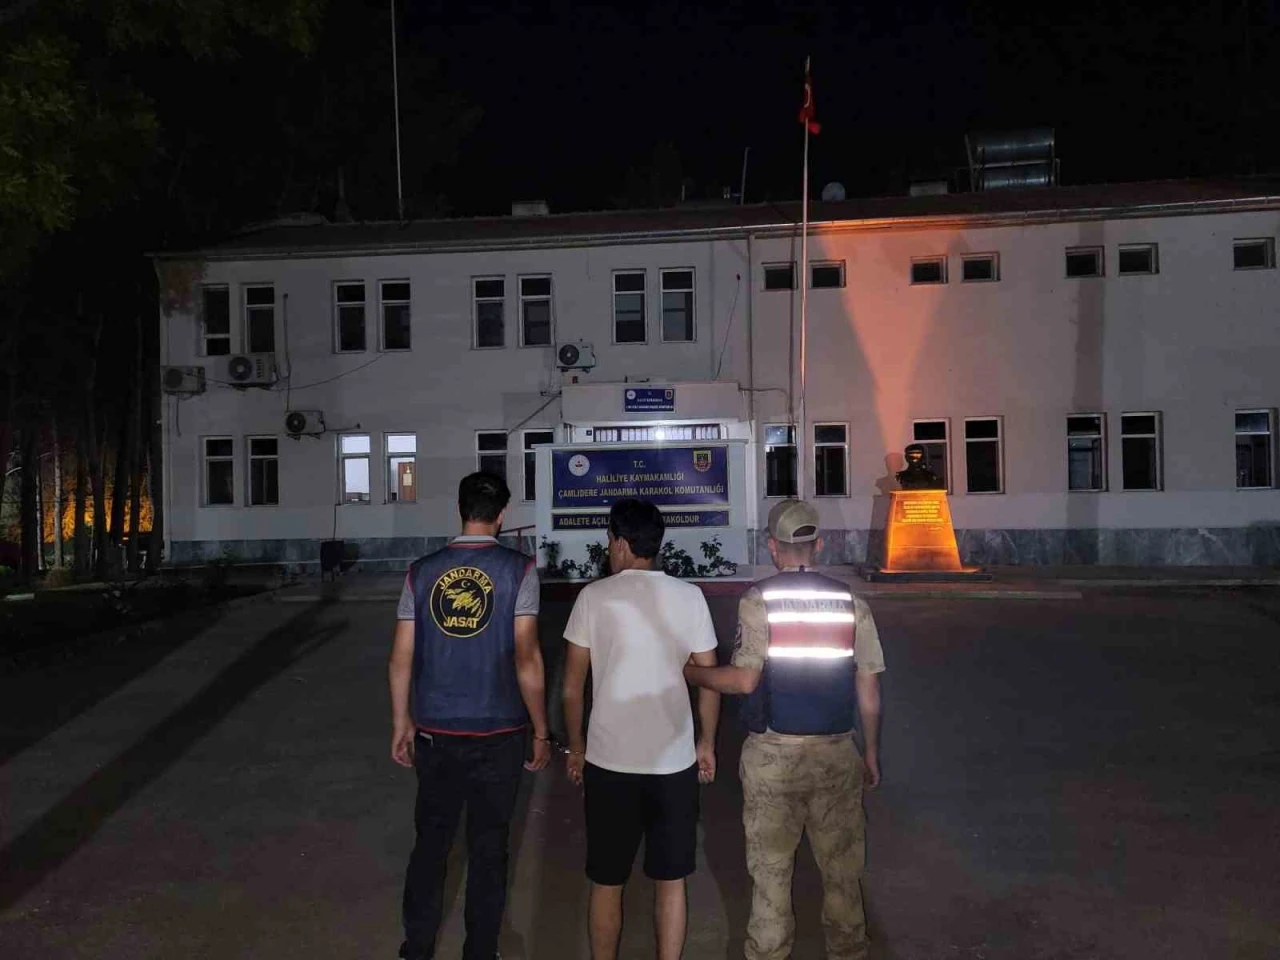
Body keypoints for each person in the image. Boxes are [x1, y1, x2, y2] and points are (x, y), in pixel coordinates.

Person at [684, 498, 885, 960]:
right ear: (819, 544)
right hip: (837, 753)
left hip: (773, 758)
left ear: (772, 547)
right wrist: (870, 752)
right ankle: (849, 951)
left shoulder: (760, 600)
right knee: (843, 873)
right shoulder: (850, 602)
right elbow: (869, 688)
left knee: (771, 874)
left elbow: (744, 680)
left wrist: (691, 674)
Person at [388, 471, 552, 960]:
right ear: (501, 515)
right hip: (499, 731)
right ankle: (480, 950)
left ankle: (417, 948)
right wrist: (541, 729)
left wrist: (401, 721)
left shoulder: (421, 572)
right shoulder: (519, 571)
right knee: (489, 848)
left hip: (436, 730)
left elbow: (401, 657)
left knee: (431, 844)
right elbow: (527, 658)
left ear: (460, 510)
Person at [561, 498, 721, 960]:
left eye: (610, 539)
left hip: (609, 762)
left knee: (607, 881)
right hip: (673, 763)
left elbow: (572, 687)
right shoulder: (689, 596)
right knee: (671, 881)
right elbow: (709, 678)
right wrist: (706, 742)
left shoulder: (593, 598)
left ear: (621, 543)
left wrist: (576, 748)